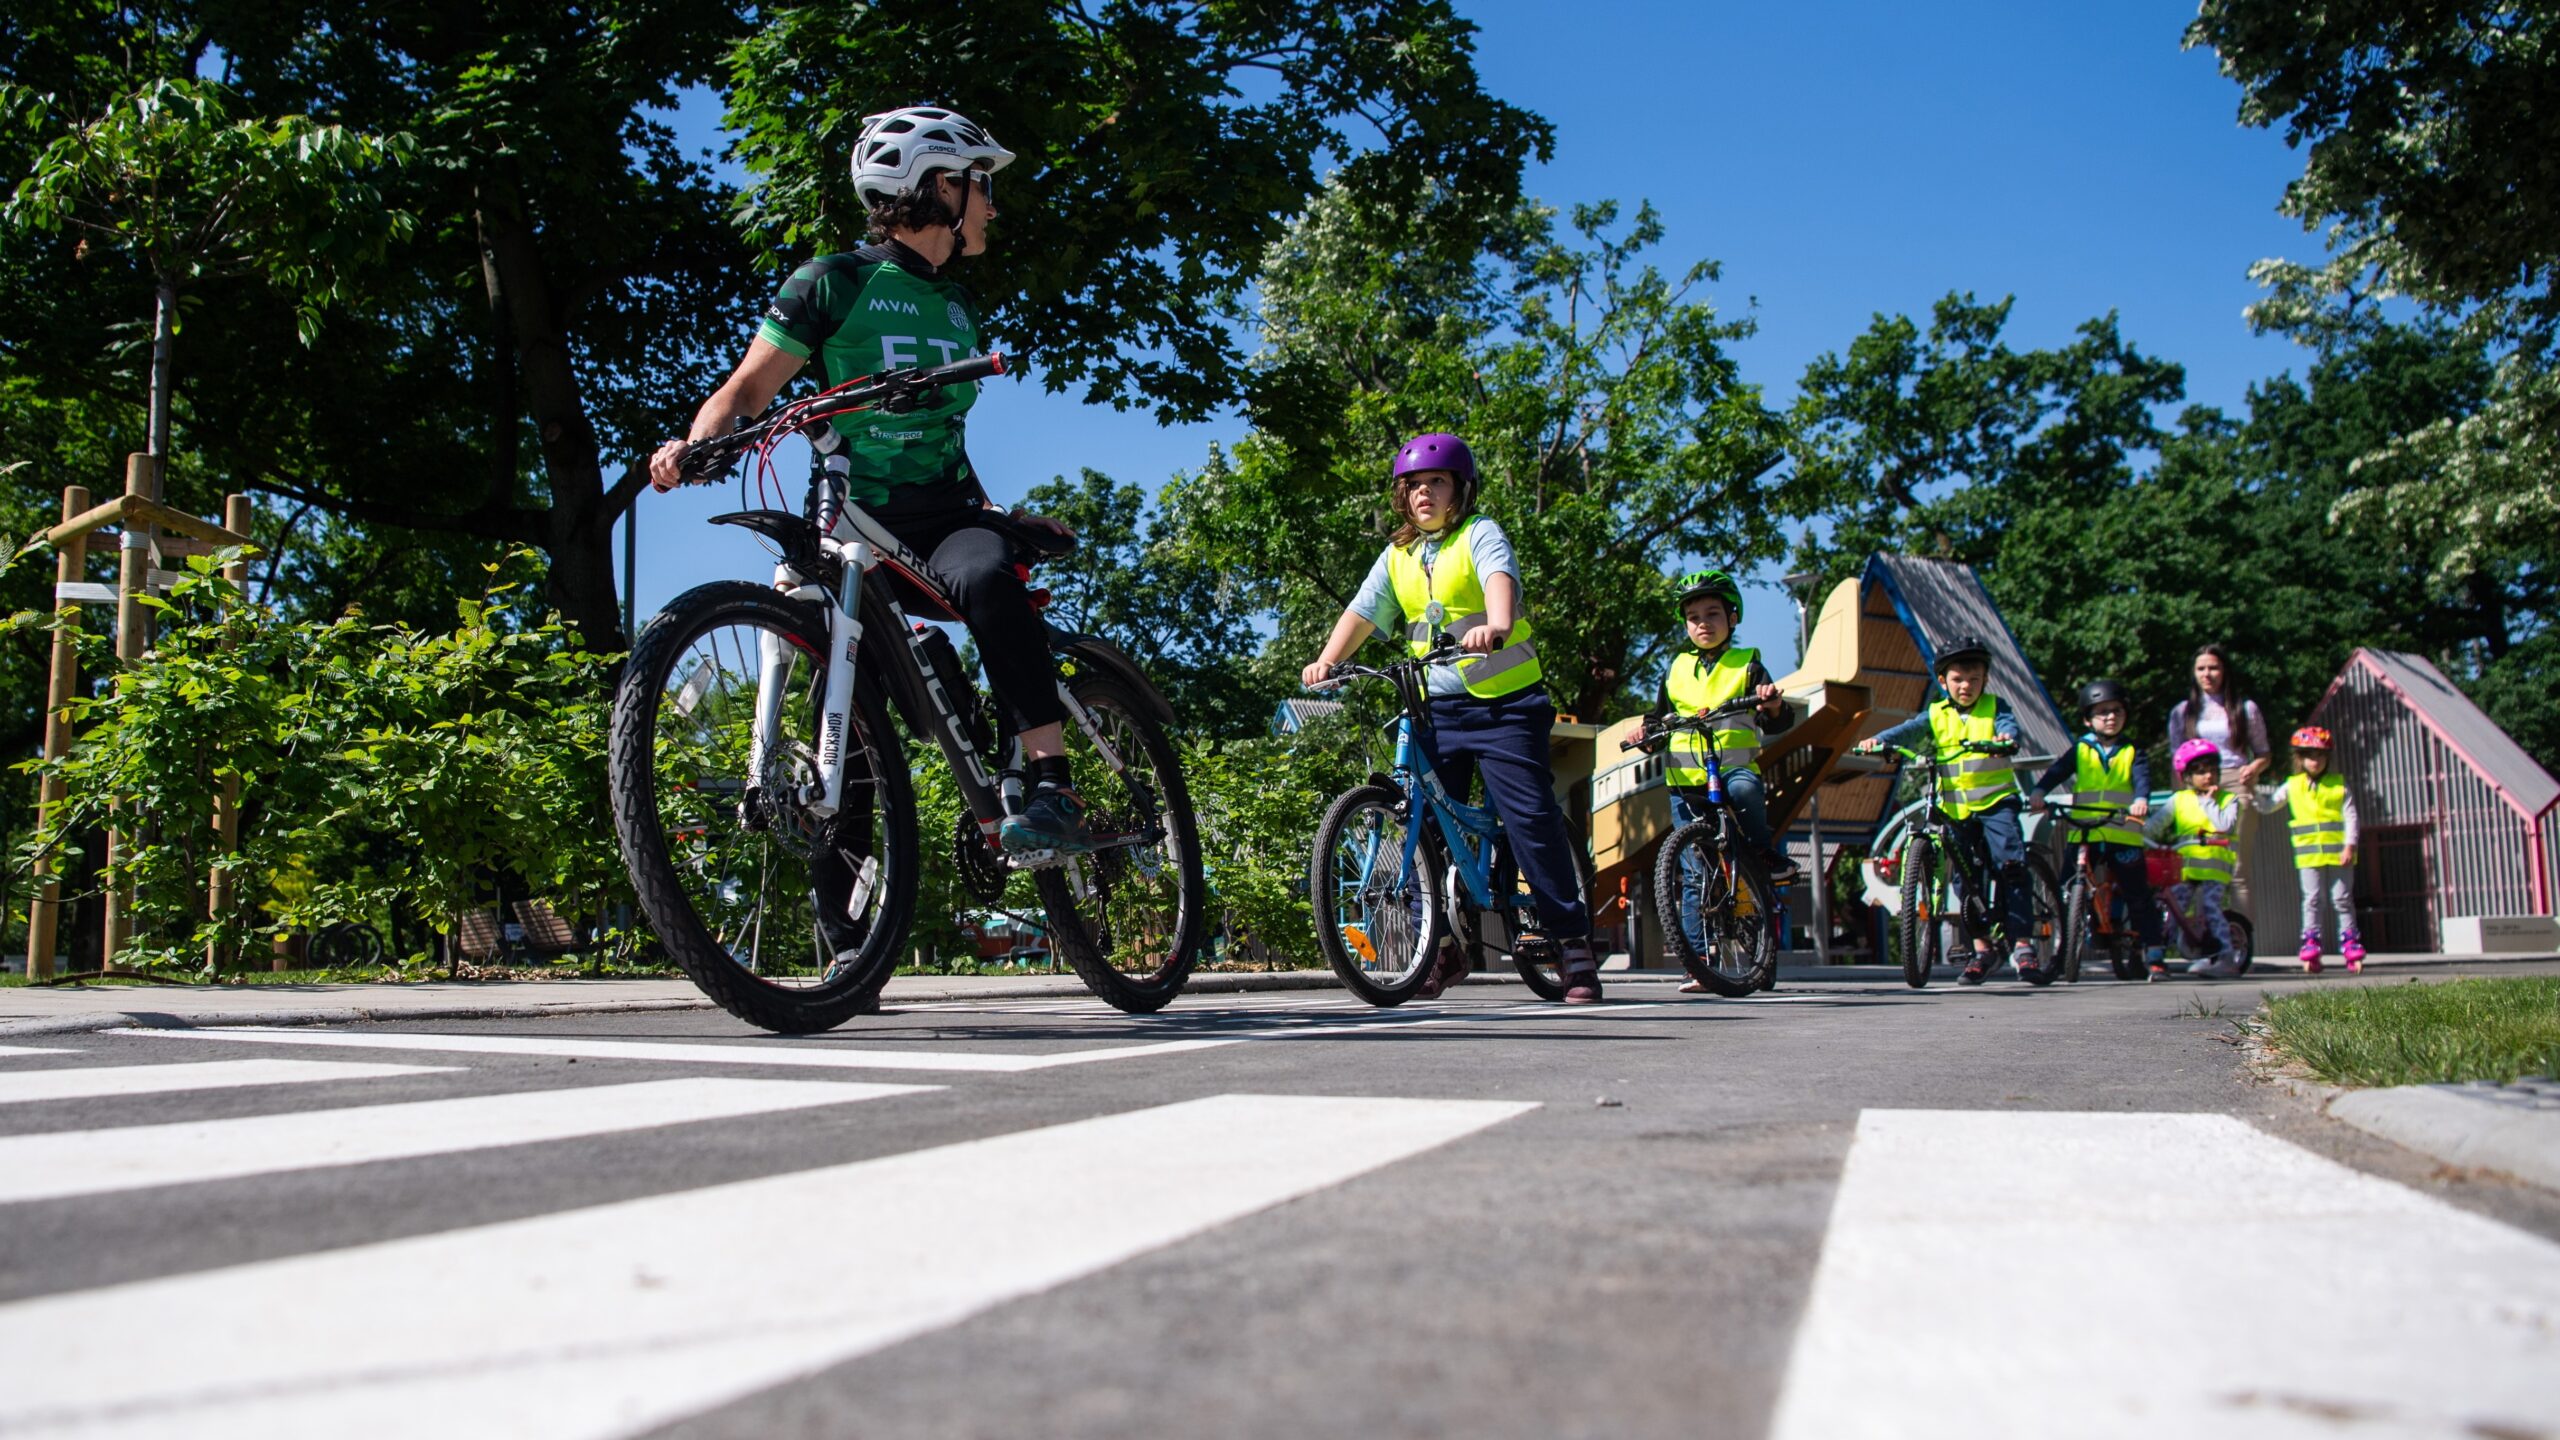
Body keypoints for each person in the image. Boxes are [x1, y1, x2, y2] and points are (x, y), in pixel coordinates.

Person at [646, 105, 1089, 854]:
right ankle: (847, 934)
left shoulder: (956, 303)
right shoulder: (833, 283)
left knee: (986, 576)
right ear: (940, 186)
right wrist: (695, 445)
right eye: (983, 186)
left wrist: (996, 513)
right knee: (839, 701)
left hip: (945, 517)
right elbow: (748, 390)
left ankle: (1052, 783)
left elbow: (947, 432)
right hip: (854, 517)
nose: (991, 205)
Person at [1301, 434, 1599, 1003]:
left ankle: (1572, 944)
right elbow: (1363, 611)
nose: (1423, 494)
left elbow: (1498, 582)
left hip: (1506, 706)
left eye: (1435, 482)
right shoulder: (1398, 556)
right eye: (1413, 486)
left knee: (1530, 816)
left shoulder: (1479, 534)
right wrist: (1327, 661)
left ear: (1460, 488)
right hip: (1437, 707)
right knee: (1426, 830)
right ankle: (1442, 948)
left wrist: (1499, 624)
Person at [1631, 567, 1793, 994]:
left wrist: (1771, 704)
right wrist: (1644, 735)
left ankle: (1763, 852)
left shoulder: (1748, 663)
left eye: (1713, 614)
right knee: (1693, 871)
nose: (1703, 623)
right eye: (1694, 617)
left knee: (1744, 790)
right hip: (1686, 782)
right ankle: (1700, 961)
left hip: (1732, 771)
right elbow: (1657, 720)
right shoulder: (1676, 669)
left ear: (1732, 618)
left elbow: (1778, 717)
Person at [1851, 635, 2037, 985]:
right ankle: (1983, 950)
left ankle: (2023, 945)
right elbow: (1908, 731)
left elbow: (2010, 731)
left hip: (1996, 803)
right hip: (1956, 808)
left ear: (1985, 680)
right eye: (1958, 679)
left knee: (2011, 866)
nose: (1966, 685)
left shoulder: (1997, 708)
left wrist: (2004, 740)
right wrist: (1879, 740)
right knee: (1964, 880)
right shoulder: (1936, 713)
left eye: (1974, 679)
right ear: (1943, 681)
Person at [2027, 679, 2168, 979]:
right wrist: (2039, 791)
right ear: (2087, 719)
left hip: (2121, 831)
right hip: (2086, 832)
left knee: (2137, 894)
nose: (2110, 717)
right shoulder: (2081, 748)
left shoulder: (2132, 750)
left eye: (2116, 710)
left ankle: (2154, 952)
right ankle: (2060, 954)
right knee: (2065, 892)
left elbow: (2142, 779)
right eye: (2102, 712)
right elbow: (2056, 772)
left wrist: (2141, 799)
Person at [2253, 725, 2364, 973]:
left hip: (2340, 854)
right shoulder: (2292, 786)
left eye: (2320, 755)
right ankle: (2311, 942)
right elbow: (2269, 806)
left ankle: (2350, 943)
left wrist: (2350, 845)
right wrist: (2252, 792)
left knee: (2342, 899)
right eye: (2309, 756)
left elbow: (2351, 817)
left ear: (2327, 758)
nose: (2315, 761)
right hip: (2308, 854)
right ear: (2300, 758)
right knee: (2312, 899)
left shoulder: (2338, 785)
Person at [2150, 738, 2243, 977]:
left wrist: (2209, 803)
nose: (2208, 776)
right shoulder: (2178, 800)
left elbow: (2225, 825)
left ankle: (2226, 957)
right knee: (2172, 909)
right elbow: (2154, 826)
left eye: (2213, 770)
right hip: (2184, 869)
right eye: (2200, 772)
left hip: (2215, 868)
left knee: (2212, 908)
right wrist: (2141, 837)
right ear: (2186, 776)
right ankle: (2157, 954)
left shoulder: (2228, 800)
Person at [2165, 643, 2272, 787]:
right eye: (2201, 669)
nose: (2206, 674)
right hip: (2196, 781)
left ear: (2224, 671)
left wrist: (2253, 769)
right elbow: (2176, 760)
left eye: (2213, 668)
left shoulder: (2246, 708)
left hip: (2236, 778)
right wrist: (2179, 792)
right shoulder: (2181, 711)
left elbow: (2264, 754)